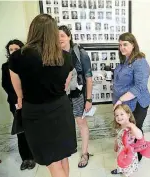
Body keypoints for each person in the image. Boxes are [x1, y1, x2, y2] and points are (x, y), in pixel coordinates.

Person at [9, 14, 76, 177]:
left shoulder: (17, 57)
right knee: (62, 156)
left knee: (51, 162)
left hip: (35, 112)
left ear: (33, 30)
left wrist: (20, 99)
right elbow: (65, 85)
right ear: (53, 32)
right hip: (61, 108)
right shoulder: (66, 56)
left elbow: (18, 91)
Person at [113, 32, 150, 162]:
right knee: (126, 131)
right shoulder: (125, 61)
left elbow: (140, 87)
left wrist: (121, 99)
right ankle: (127, 155)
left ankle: (136, 158)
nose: (122, 47)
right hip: (125, 104)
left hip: (138, 104)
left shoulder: (139, 62)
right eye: (120, 45)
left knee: (135, 130)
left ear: (133, 45)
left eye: (125, 44)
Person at [59, 25, 93, 168]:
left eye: (62, 35)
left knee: (81, 123)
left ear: (69, 36)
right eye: (56, 36)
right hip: (61, 97)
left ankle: (85, 153)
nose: (59, 38)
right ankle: (67, 150)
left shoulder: (80, 53)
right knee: (64, 124)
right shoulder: (55, 54)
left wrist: (89, 99)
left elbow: (89, 77)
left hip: (78, 95)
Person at [2, 39, 35, 170]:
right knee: (20, 131)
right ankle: (25, 158)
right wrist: (17, 99)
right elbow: (5, 85)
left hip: (29, 101)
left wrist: (24, 98)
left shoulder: (28, 64)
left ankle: (33, 157)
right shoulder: (6, 66)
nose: (13, 52)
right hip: (15, 103)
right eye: (11, 50)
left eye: (16, 49)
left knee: (30, 130)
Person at [111, 104, 143, 176]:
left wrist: (133, 126)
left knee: (127, 168)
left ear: (128, 115)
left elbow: (139, 136)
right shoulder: (119, 126)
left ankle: (126, 174)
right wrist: (116, 144)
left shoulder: (131, 128)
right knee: (120, 162)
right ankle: (120, 169)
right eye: (117, 115)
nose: (119, 117)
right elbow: (118, 136)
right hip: (120, 150)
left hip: (128, 153)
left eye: (122, 114)